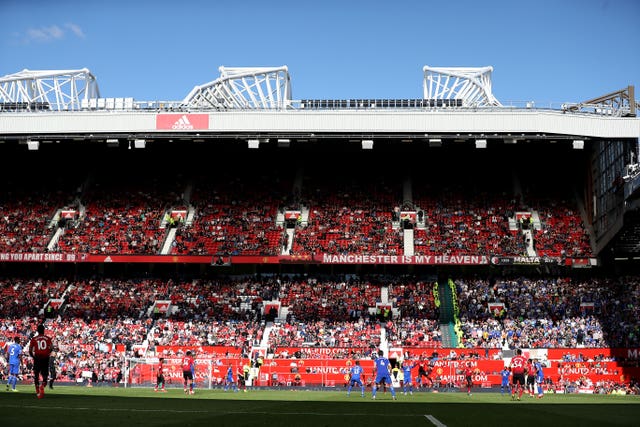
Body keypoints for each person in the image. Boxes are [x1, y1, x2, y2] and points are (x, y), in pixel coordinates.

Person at [29, 324, 53, 399]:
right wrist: (48, 352)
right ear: (43, 330)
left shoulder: (34, 339)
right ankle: (42, 386)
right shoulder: (48, 338)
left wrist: (33, 357)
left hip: (37, 358)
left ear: (37, 330)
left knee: (36, 375)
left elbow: (30, 350)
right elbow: (51, 348)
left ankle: (37, 392)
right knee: (45, 375)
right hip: (45, 358)